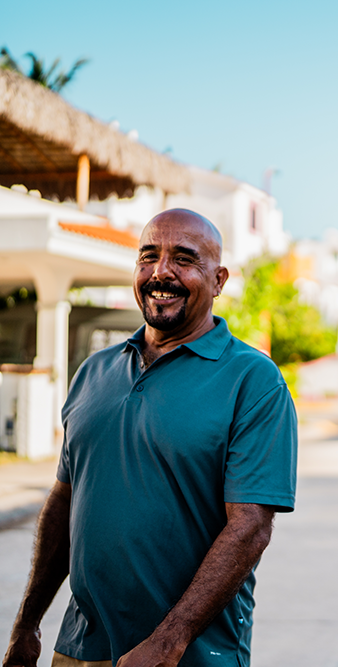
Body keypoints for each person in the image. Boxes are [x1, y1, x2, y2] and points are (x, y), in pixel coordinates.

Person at [2, 209, 297, 667]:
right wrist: (27, 624)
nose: (161, 272)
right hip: (80, 647)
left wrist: (170, 640)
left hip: (191, 654)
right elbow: (63, 503)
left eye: (184, 259)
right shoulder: (94, 372)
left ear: (218, 280)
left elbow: (250, 527)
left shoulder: (253, 380)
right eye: (149, 256)